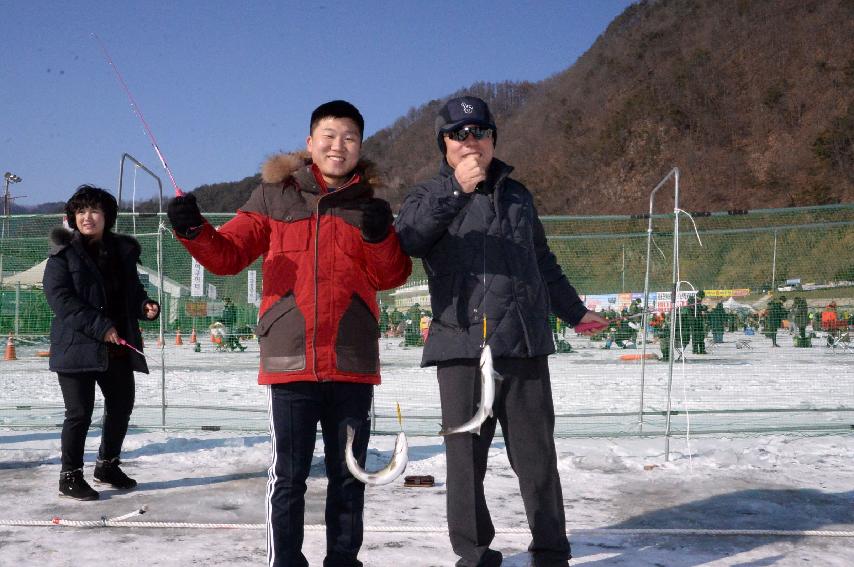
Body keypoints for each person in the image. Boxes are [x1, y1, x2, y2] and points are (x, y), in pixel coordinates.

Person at [167, 100, 411, 567]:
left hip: (351, 360)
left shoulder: (371, 206)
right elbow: (228, 256)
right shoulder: (272, 196)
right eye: (329, 135)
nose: (339, 145)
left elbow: (392, 276)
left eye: (350, 137)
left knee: (349, 475)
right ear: (309, 142)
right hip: (289, 361)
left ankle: (343, 560)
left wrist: (382, 239)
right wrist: (194, 230)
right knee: (290, 477)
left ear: (361, 146)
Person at [394, 96, 608, 567]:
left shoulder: (519, 196)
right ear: (444, 144)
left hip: (524, 344)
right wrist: (455, 192)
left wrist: (575, 312)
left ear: (492, 139)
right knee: (465, 460)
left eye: (480, 132)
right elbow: (409, 240)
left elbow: (542, 263)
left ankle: (551, 551)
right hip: (460, 345)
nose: (471, 142)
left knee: (537, 458)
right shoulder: (426, 194)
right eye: (459, 134)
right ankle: (474, 555)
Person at [42, 185, 160, 501]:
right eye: (81, 212)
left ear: (107, 216)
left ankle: (107, 465)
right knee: (79, 412)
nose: (87, 217)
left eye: (94, 211)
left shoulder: (121, 253)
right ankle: (70, 475)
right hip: (76, 346)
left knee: (121, 405)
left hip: (116, 346)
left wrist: (144, 306)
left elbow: (132, 292)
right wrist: (100, 326)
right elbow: (61, 301)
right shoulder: (62, 256)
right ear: (72, 217)